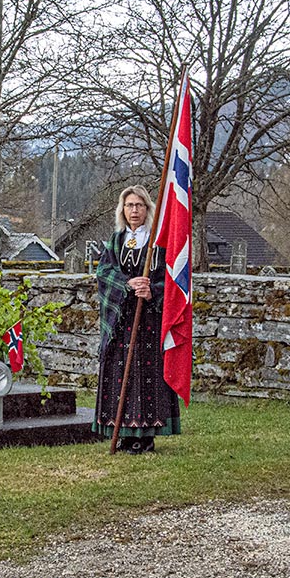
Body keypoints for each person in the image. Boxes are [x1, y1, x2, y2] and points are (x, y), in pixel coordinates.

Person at [92, 185, 181, 453]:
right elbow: (103, 273)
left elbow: (174, 283)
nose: (134, 210)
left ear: (147, 209)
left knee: (146, 375)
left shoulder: (159, 244)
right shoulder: (116, 240)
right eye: (129, 205)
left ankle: (146, 435)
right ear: (123, 209)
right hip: (122, 321)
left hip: (149, 323)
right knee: (121, 375)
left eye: (139, 205)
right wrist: (127, 283)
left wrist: (151, 290)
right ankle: (122, 432)